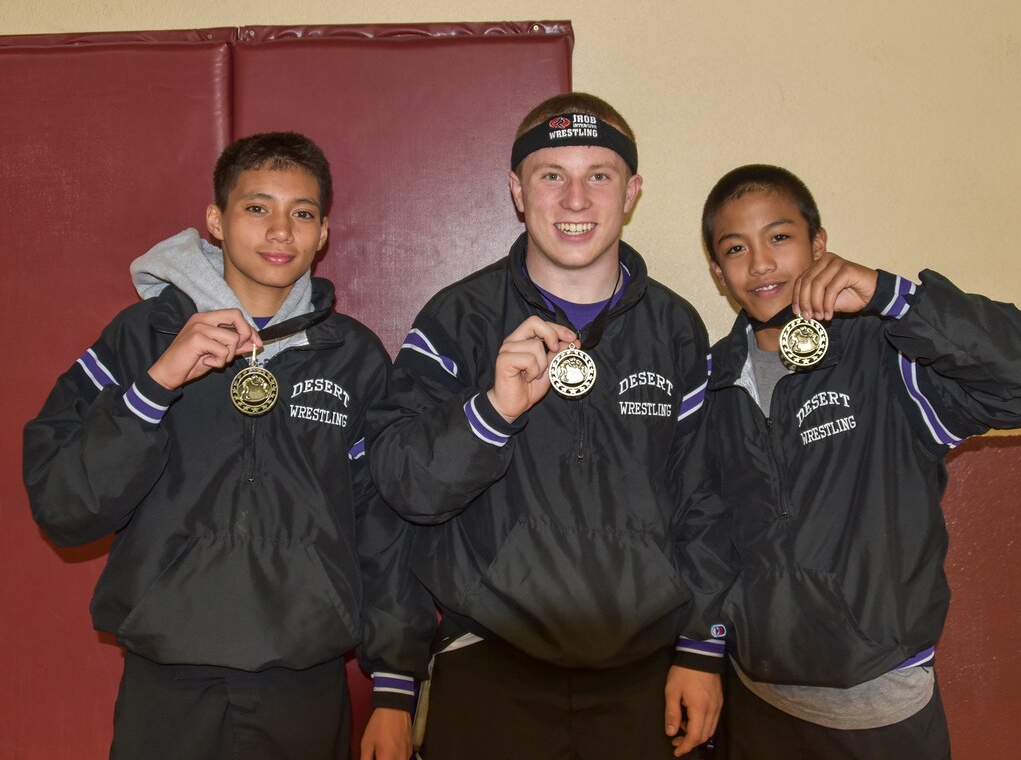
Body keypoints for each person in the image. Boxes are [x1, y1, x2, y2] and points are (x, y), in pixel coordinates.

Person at [23, 132, 433, 760]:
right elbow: (66, 507)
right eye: (256, 207)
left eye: (302, 213)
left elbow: (382, 528)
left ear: (323, 233)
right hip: (167, 682)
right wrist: (156, 386)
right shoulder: (142, 338)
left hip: (304, 681)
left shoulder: (353, 358)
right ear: (215, 221)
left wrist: (395, 685)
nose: (280, 231)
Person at [366, 93, 733, 759]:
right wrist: (492, 412)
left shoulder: (676, 329)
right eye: (551, 175)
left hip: (646, 670)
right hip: (490, 665)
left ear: (632, 192)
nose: (575, 199)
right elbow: (401, 488)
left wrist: (703, 646)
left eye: (599, 174)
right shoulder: (458, 319)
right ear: (516, 189)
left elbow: (704, 501)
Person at [700, 163, 1021, 759]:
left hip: (884, 707)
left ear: (818, 244)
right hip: (756, 700)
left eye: (780, 236)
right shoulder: (713, 382)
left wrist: (893, 298)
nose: (760, 263)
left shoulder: (887, 353)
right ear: (718, 272)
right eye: (736, 248)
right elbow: (707, 532)